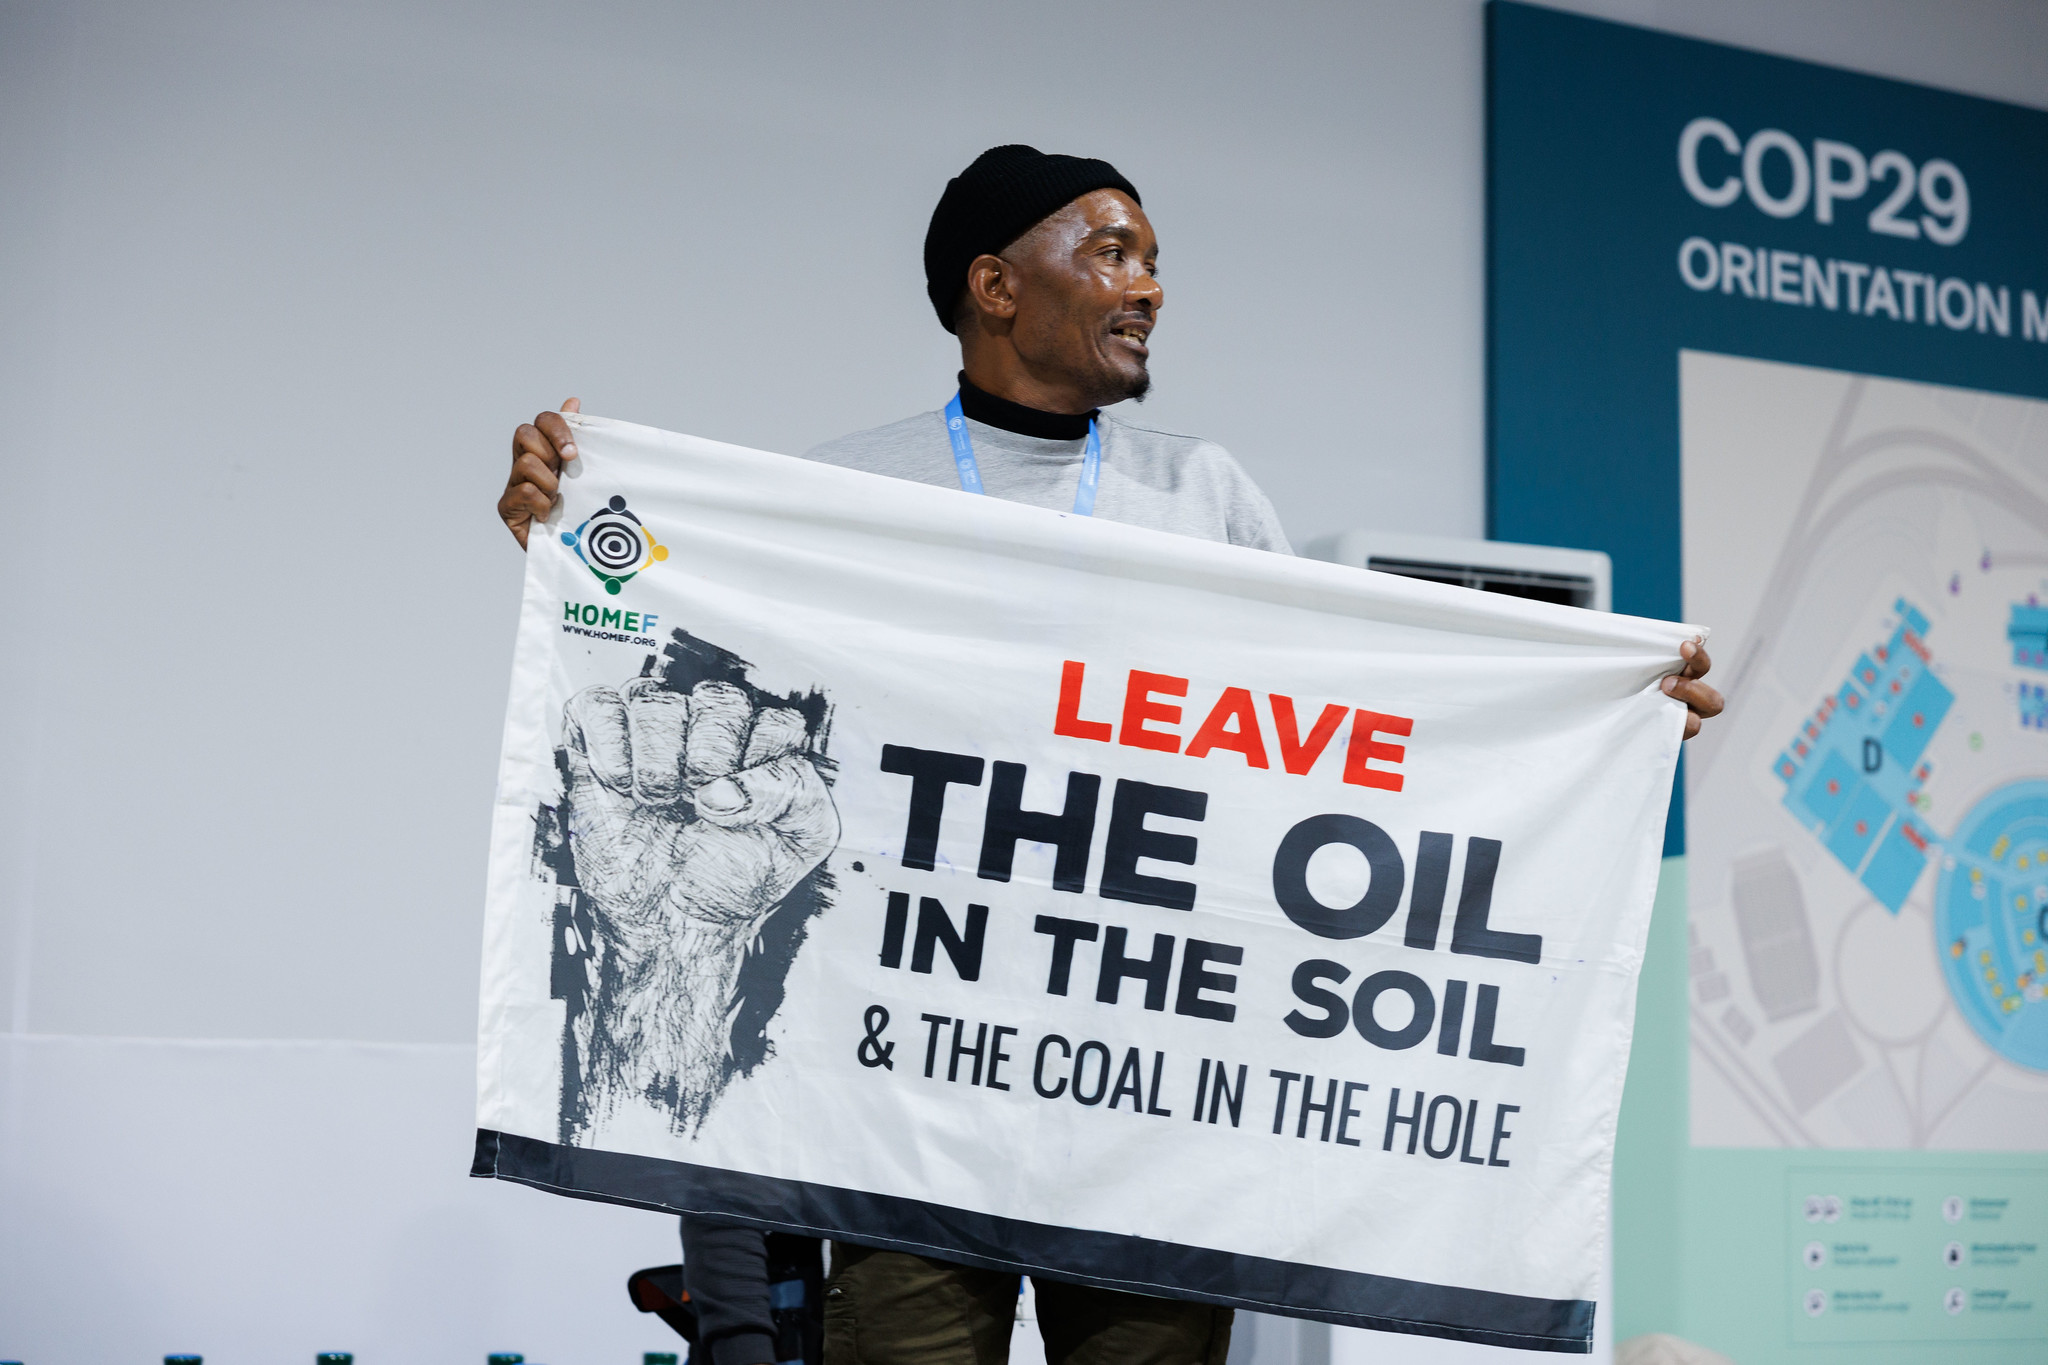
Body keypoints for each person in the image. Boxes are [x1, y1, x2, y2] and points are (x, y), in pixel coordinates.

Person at [497, 144, 1725, 1365]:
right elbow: (684, 648)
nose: (1148, 286)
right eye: (1111, 252)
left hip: (1147, 1114)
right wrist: (574, 528)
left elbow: (1345, 720)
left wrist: (1598, 718)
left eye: (1150, 260)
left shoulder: (1200, 495)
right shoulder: (851, 493)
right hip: (907, 1104)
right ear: (994, 286)